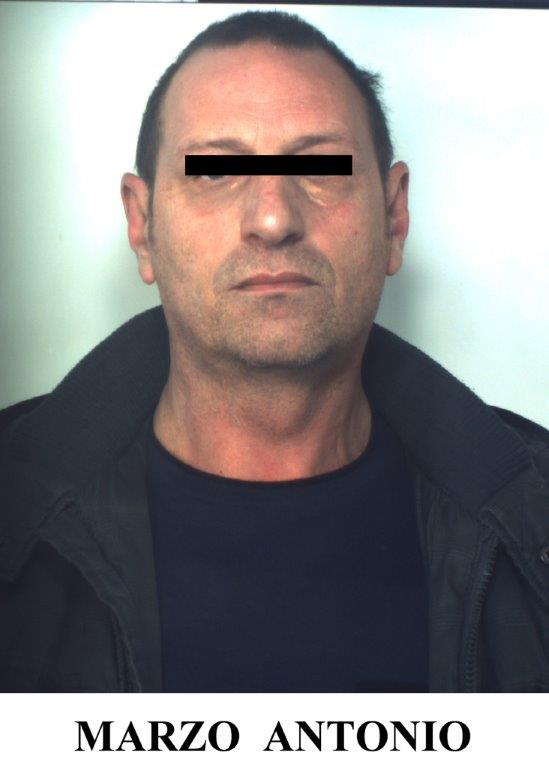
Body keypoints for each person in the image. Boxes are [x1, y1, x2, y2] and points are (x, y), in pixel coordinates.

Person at [1, 10, 548, 693]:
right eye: (214, 171)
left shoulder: (531, 513)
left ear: (393, 216)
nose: (272, 218)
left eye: (321, 167)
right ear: (142, 226)